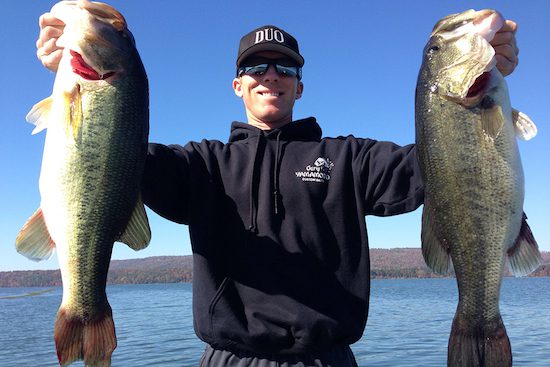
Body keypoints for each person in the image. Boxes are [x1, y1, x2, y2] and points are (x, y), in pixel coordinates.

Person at [36, 9, 519, 367]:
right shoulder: (200, 164)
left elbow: (442, 168)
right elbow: (110, 158)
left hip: (328, 358)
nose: (270, 75)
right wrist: (68, 73)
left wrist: (479, 90)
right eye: (256, 67)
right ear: (237, 85)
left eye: (285, 69)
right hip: (227, 357)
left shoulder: (350, 159)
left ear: (299, 88)